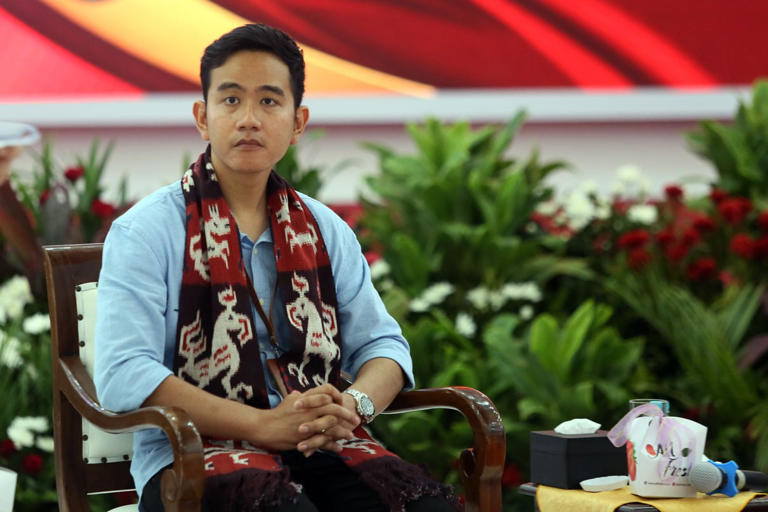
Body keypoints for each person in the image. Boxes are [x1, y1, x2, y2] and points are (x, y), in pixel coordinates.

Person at [94, 24, 457, 512]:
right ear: (203, 117)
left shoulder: (324, 229)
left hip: (322, 445)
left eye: (268, 101)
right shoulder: (146, 232)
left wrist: (352, 407)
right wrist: (261, 425)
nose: (249, 119)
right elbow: (124, 373)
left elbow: (384, 347)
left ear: (297, 122)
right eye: (230, 100)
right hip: (193, 457)